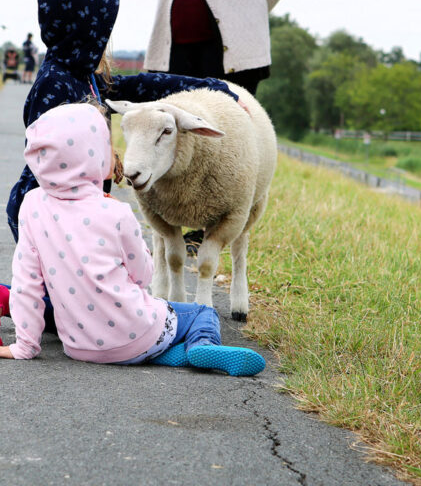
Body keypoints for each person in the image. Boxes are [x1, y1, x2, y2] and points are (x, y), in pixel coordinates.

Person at [0, 103, 265, 377]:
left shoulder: (31, 206)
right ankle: (200, 347)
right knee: (201, 314)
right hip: (137, 332)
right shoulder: (115, 212)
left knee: (148, 333)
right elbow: (143, 276)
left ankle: (170, 355)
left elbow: (26, 283)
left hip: (78, 346)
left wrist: (25, 346)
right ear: (95, 155)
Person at [6, 0, 247, 251]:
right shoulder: (55, 84)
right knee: (61, 291)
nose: (105, 39)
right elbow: (47, 161)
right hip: (50, 215)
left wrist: (213, 86)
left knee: (66, 292)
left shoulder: (83, 75)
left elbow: (140, 85)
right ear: (84, 31)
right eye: (102, 30)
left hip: (74, 210)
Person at [145, 0, 290, 250]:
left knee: (229, 142)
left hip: (232, 50)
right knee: (172, 133)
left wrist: (247, 14)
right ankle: (171, 226)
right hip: (173, 45)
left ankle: (216, 227)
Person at [145, 0, 290, 95]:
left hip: (234, 54)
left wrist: (247, 18)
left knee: (230, 125)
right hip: (172, 50)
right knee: (171, 126)